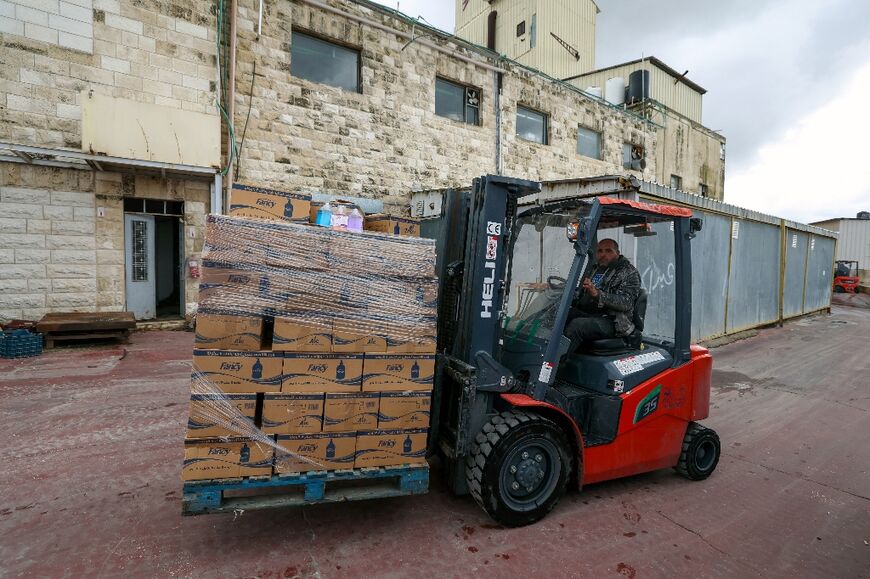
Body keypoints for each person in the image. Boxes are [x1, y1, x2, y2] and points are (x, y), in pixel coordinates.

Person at [565, 238, 641, 352]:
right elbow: (582, 294)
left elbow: (626, 303)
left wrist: (597, 294)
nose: (603, 254)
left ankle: (558, 365)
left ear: (617, 253)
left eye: (608, 251)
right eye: (600, 251)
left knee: (577, 325)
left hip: (614, 322)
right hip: (592, 315)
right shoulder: (596, 268)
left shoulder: (629, 272)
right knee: (559, 315)